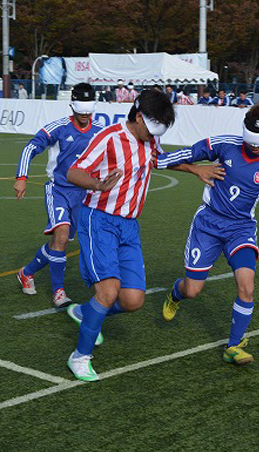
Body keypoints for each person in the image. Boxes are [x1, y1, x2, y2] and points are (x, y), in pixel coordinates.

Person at [64, 89, 223, 381]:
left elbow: (159, 160)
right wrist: (97, 185)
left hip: (129, 226)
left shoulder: (150, 140)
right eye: (150, 131)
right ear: (138, 117)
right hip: (98, 220)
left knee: (132, 300)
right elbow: (73, 172)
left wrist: (194, 169)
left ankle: (86, 313)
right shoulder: (109, 138)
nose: (152, 137)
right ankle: (80, 356)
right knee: (108, 291)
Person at [157, 103, 259, 366]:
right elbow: (189, 153)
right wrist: (161, 160)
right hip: (208, 224)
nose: (253, 146)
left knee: (247, 287)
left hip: (241, 230)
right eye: (250, 140)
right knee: (192, 290)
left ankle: (234, 345)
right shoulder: (224, 144)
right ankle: (176, 293)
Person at [14, 83, 105, 308]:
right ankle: (59, 292)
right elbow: (30, 148)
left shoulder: (101, 131)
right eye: (81, 110)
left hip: (84, 194)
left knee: (59, 242)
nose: (85, 115)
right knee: (61, 237)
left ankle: (26, 272)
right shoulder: (58, 128)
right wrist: (22, 177)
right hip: (58, 190)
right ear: (72, 106)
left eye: (88, 111)